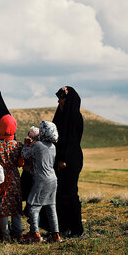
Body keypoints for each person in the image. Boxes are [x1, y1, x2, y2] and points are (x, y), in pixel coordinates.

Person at [21, 121, 61, 243]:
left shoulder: (38, 145)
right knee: (51, 207)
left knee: (33, 206)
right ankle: (55, 235)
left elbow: (24, 154)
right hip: (53, 179)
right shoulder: (52, 147)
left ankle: (35, 234)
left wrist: (26, 144)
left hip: (41, 179)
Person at [53, 86, 85, 238]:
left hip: (70, 161)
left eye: (62, 97)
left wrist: (63, 159)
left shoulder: (74, 117)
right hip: (59, 161)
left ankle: (77, 229)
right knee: (60, 195)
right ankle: (63, 227)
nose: (59, 100)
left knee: (71, 194)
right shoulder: (60, 115)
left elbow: (72, 141)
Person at [0, 114, 24, 241]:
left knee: (3, 206)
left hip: (1, 177)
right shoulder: (18, 145)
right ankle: (18, 234)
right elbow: (21, 163)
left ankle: (5, 235)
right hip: (14, 178)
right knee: (16, 206)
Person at [20, 126, 39, 214]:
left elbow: (24, 155)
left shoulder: (38, 147)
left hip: (33, 173)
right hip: (27, 173)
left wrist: (26, 145)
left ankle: (28, 210)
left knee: (31, 194)